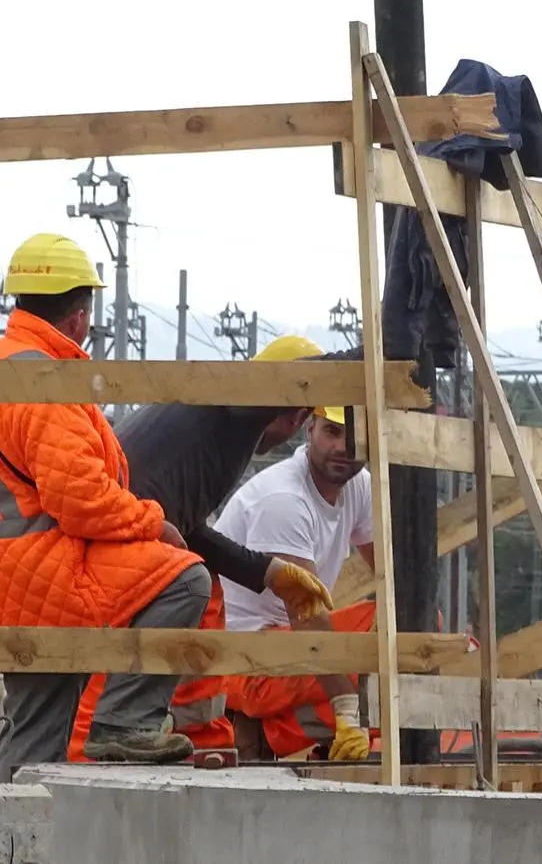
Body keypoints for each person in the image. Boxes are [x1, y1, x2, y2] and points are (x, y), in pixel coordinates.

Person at [65, 334, 342, 760]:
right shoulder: (234, 416)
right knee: (188, 583)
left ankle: (179, 738)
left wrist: (266, 572)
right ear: (299, 416)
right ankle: (109, 737)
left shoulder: (208, 419)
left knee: (196, 582)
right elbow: (169, 520)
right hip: (110, 542)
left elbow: (186, 524)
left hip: (106, 534)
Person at [0, 233, 208, 777]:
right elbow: (82, 498)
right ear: (78, 315)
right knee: (183, 578)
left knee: (34, 734)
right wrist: (154, 525)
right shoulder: (44, 381)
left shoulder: (16, 363)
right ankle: (124, 723)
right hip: (40, 566)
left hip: (23, 573)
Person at [218, 405, 376, 762]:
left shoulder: (358, 486)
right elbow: (307, 615)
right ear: (309, 428)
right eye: (332, 432)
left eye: (354, 437)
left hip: (288, 650)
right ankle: (275, 733)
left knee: (415, 628)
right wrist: (347, 708)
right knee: (377, 692)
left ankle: (276, 732)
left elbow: (394, 577)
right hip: (245, 663)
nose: (343, 447)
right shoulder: (284, 500)